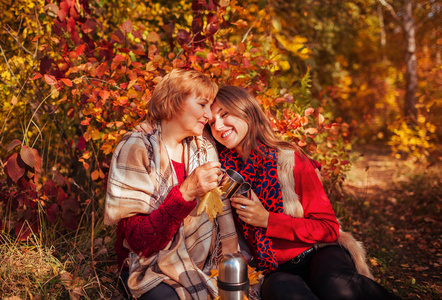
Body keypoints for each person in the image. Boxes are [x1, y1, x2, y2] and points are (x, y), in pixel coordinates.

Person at [208, 86, 401, 300]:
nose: (218, 125)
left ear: (246, 110)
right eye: (211, 121)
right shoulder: (222, 173)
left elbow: (329, 228)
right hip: (276, 269)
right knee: (282, 290)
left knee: (334, 284)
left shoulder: (288, 160)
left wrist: (268, 220)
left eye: (225, 114)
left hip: (319, 252)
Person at [104, 69, 239, 300]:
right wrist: (186, 192)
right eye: (202, 104)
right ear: (174, 101)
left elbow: (244, 129)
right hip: (146, 266)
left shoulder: (204, 147)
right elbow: (139, 241)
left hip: (201, 264)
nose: (208, 115)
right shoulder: (137, 148)